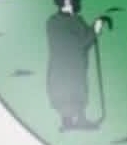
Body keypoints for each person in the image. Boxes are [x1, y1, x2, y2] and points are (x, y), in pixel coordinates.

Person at [45, 0, 109, 130]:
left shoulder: (53, 21)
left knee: (65, 91)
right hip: (73, 66)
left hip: (61, 66)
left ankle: (68, 121)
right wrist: (96, 29)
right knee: (75, 90)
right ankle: (79, 120)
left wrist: (93, 31)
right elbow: (83, 41)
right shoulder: (72, 21)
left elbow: (83, 40)